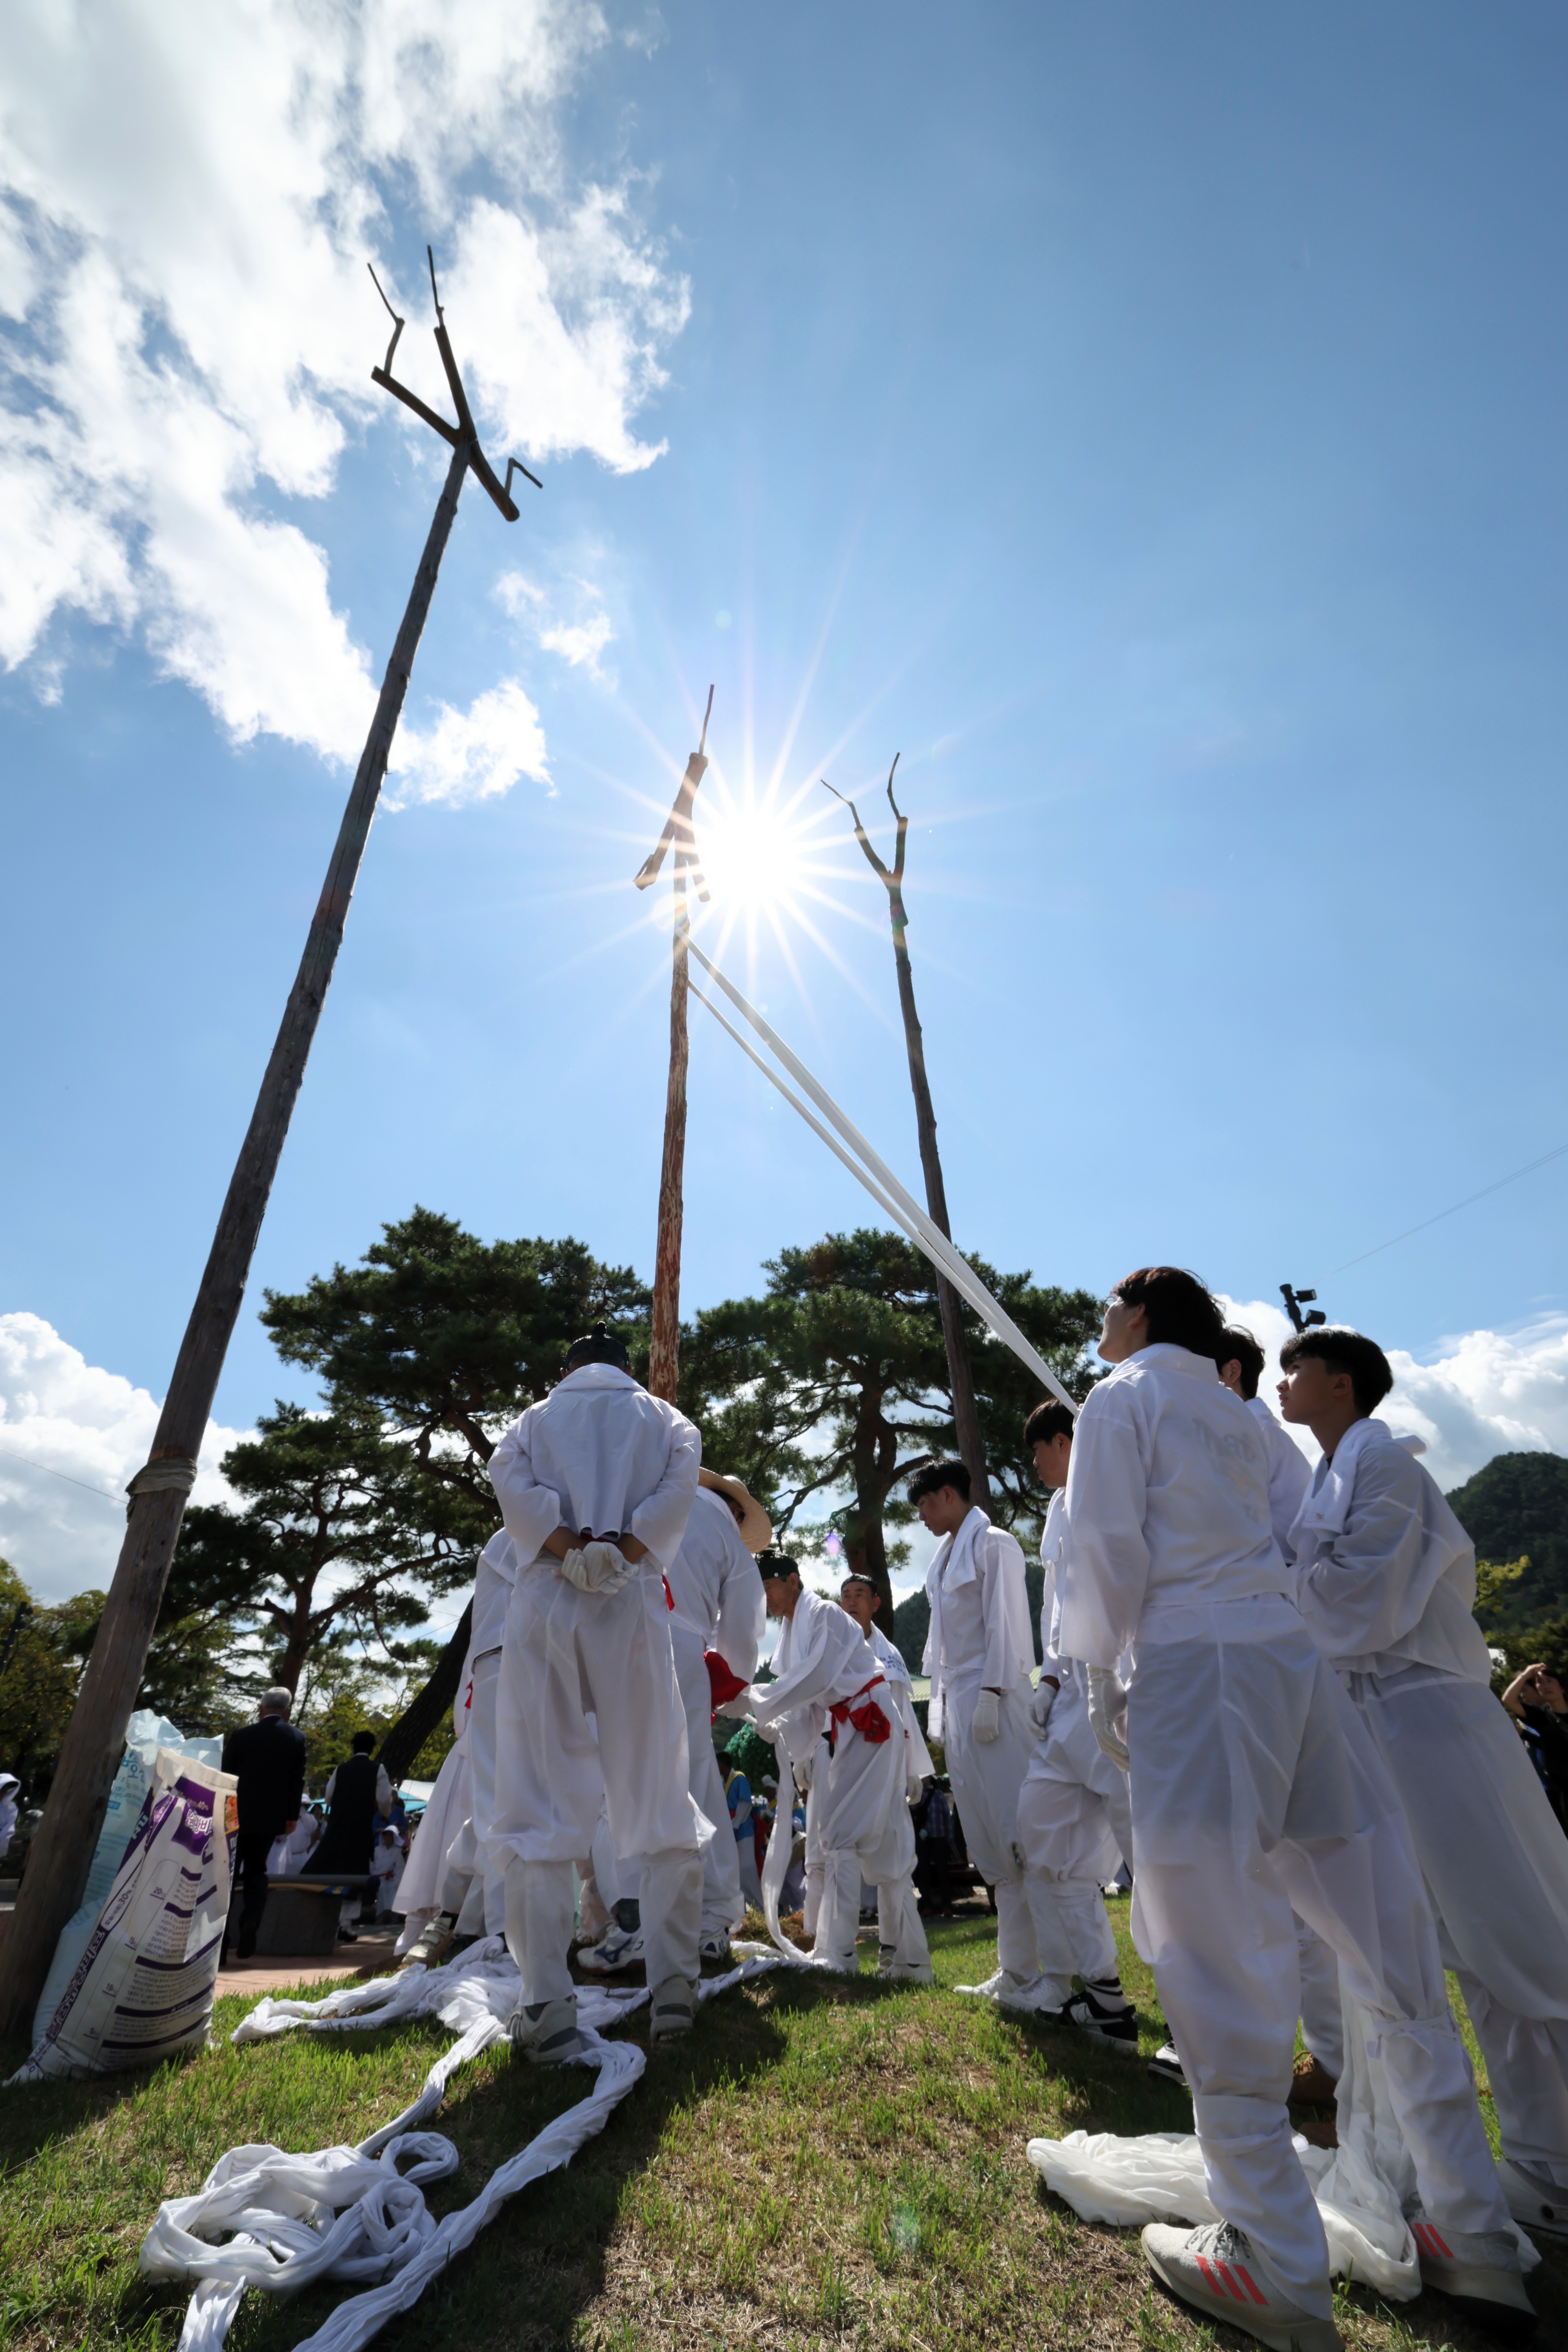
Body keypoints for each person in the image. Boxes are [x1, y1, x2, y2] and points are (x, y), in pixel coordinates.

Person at [1059, 1267, 1527, 2348]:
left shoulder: (1122, 1398)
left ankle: (1274, 2255)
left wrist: (1099, 1677)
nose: (1100, 1328)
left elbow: (1105, 1552)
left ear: (1138, 1321)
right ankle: (1476, 2233)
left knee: (1211, 1937)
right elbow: (1297, 1537)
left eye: (1110, 1311)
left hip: (1200, 1665)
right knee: (1383, 1936)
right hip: (1297, 1668)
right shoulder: (1239, 1417)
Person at [1281, 1321, 1568, 2250]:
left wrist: (1269, 1588)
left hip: (1433, 1719)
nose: (1285, 1382)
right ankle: (1535, 2161)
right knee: (1449, 1941)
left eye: (1298, 1369)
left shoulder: (1389, 1472)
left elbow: (1359, 1604)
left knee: (1514, 1931)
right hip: (1376, 1725)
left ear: (1342, 1384)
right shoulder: (1329, 1478)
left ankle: (1555, 2158)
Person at [488, 1322, 706, 2062]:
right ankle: (676, 1990)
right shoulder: (667, 1420)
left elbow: (510, 1484)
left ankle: (547, 2002)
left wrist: (571, 1549)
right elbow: (679, 1489)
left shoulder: (533, 1421)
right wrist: (624, 1549)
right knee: (657, 1787)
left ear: (567, 1367)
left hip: (548, 1600)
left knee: (538, 1798)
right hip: (633, 1601)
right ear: (627, 1368)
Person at [1216, 1326, 1342, 2106]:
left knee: (1294, 1879)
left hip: (1277, 1662)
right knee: (1274, 1872)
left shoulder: (1250, 1436)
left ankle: (1329, 2062)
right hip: (1264, 1661)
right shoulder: (1245, 1434)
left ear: (1227, 1372)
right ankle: (1315, 2052)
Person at [1012, 1399, 1140, 2051]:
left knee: (1151, 1859)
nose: (1035, 1464)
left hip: (1120, 1691)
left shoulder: (1112, 1490)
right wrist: (1053, 1681)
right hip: (1068, 1703)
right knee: (1047, 1843)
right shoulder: (1058, 1510)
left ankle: (1195, 2021)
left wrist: (1110, 1682)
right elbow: (1057, 1611)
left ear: (1065, 1441)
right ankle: (1102, 1998)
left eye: (1040, 1450)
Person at [738, 1551, 930, 1980]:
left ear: (791, 1581)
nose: (765, 1600)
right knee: (886, 1848)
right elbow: (807, 1702)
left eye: (767, 1588)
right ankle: (913, 1962)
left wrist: (757, 1700)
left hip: (869, 1722)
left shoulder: (823, 1614)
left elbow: (813, 1682)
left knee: (840, 1835)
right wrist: (780, 1728)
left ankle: (838, 1953)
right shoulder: (793, 1635)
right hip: (849, 1728)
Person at [915, 1459, 1060, 2009]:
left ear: (948, 1495)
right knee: (988, 1840)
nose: (924, 1517)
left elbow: (1006, 1623)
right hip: (958, 1697)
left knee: (1018, 1830)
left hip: (991, 1693)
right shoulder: (943, 1555)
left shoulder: (991, 1543)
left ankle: (1059, 1973)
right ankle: (1017, 1970)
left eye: (927, 1505)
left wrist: (996, 1693)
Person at [658, 1467, 770, 1964]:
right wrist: (729, 1683)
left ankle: (622, 1915)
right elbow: (744, 1625)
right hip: (682, 1649)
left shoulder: (653, 1503)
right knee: (698, 1782)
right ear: (736, 1510)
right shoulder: (724, 1530)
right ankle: (712, 1919)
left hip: (617, 1642)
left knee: (618, 1781)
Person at [839, 1571, 932, 1971]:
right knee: (834, 1857)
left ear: (875, 1603)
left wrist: (913, 1768)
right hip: (842, 1767)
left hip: (888, 1767)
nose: (851, 1601)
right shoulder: (832, 1646)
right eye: (845, 1595)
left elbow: (904, 1713)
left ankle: (895, 1952)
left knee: (895, 1858)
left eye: (860, 1594)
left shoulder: (890, 1653)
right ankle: (835, 1951)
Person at [220, 1686, 307, 1960]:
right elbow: (297, 1780)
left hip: (235, 1817)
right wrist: (291, 1817)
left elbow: (226, 1777)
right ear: (287, 1710)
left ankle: (220, 1944)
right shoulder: (296, 1738)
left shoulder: (242, 1736)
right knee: (257, 1870)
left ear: (261, 1708)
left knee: (228, 1875)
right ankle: (251, 1922)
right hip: (271, 1819)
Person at [1502, 1661, 1568, 1833]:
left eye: (1549, 1681)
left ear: (1562, 1688)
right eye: (1539, 1682)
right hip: (1561, 1790)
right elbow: (1508, 1699)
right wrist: (1527, 1673)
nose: (1545, 1686)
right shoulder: (1540, 1717)